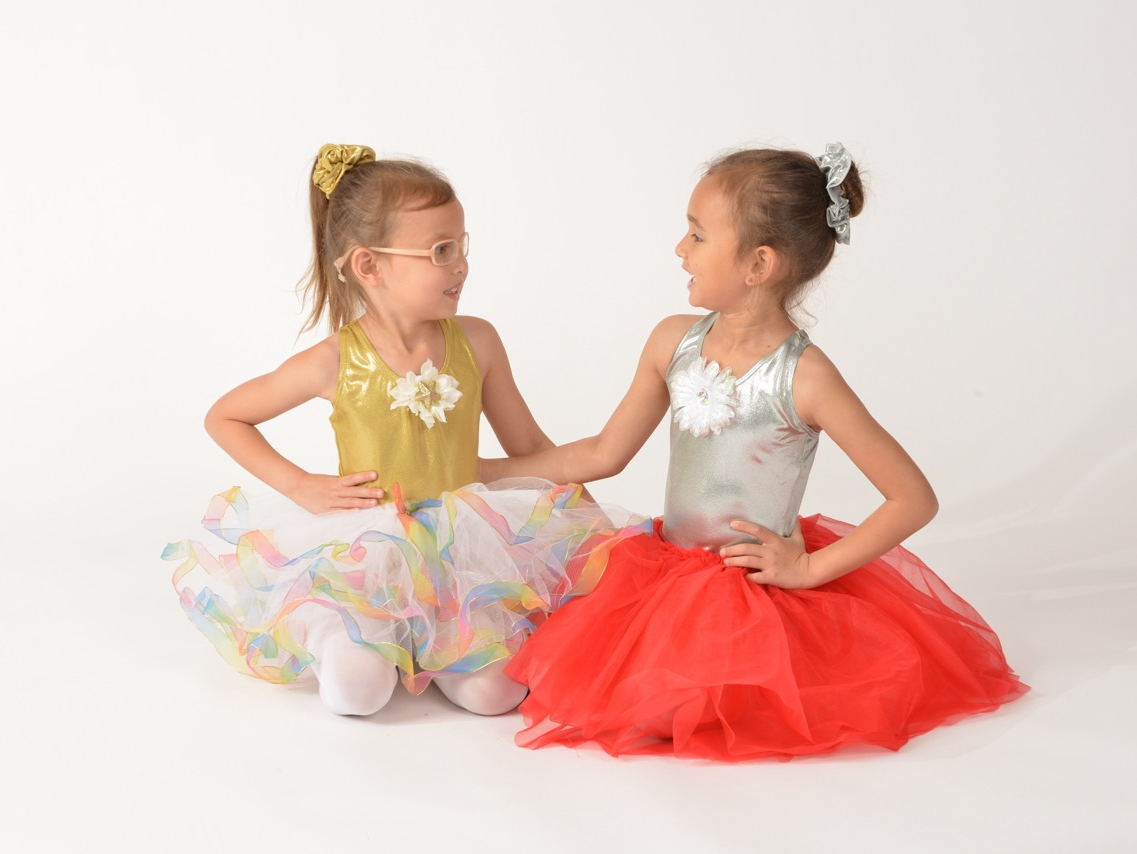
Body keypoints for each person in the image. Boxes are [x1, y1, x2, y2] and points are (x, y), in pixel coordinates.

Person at [487, 143, 1028, 761]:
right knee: (559, 678)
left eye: (696, 235)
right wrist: (485, 470)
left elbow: (912, 497)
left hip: (750, 588)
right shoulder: (673, 341)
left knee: (674, 710)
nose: (678, 250)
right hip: (665, 571)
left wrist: (809, 571)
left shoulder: (806, 378)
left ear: (758, 264)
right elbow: (604, 454)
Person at [164, 144, 645, 718]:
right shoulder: (335, 360)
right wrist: (300, 484)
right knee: (357, 694)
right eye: (441, 251)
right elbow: (226, 415)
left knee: (498, 695)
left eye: (462, 248)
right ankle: (335, 628)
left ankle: (429, 644)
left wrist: (590, 526)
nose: (460, 265)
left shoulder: (478, 342)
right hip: (368, 550)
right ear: (370, 266)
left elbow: (532, 452)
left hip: (465, 546)